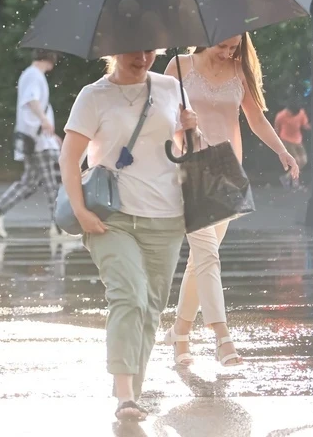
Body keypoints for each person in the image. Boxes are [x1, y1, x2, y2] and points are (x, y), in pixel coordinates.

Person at [60, 50, 198, 422]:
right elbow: (69, 156)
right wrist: (80, 210)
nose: (142, 57)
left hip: (167, 216)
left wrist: (189, 128)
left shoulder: (171, 87)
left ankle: (132, 392)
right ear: (114, 50)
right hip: (111, 215)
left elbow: (182, 152)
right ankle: (124, 395)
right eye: (133, 49)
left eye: (149, 49)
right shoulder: (94, 95)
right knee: (129, 296)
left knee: (151, 307)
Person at [163, 34, 299, 369]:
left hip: (226, 171)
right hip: (188, 169)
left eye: (234, 48)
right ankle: (223, 339)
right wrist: (178, 124)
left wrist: (282, 150)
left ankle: (180, 334)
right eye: (222, 45)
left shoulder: (240, 71)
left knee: (201, 260)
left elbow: (255, 118)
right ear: (205, 37)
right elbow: (158, 118)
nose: (227, 52)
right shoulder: (178, 66)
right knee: (207, 255)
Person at [0, 50, 64, 239]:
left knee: (30, 182)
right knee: (53, 183)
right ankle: (59, 226)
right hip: (39, 141)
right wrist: (44, 121)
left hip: (37, 138)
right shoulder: (34, 75)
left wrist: (51, 132)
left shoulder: (30, 74)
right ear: (51, 58)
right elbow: (32, 100)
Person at [274, 96, 310, 188]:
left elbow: (304, 124)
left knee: (304, 160)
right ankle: (295, 184)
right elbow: (277, 129)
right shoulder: (281, 116)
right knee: (296, 161)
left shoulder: (300, 113)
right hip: (286, 140)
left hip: (298, 140)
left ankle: (286, 177)